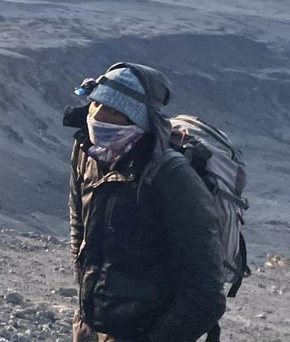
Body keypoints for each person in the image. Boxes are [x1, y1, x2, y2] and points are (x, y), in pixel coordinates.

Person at [67, 63, 226, 341]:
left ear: (139, 121)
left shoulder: (171, 176)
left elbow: (206, 293)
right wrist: (84, 317)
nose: (99, 118)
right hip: (96, 326)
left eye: (115, 111)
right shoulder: (86, 152)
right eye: (96, 105)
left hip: (148, 330)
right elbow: (81, 233)